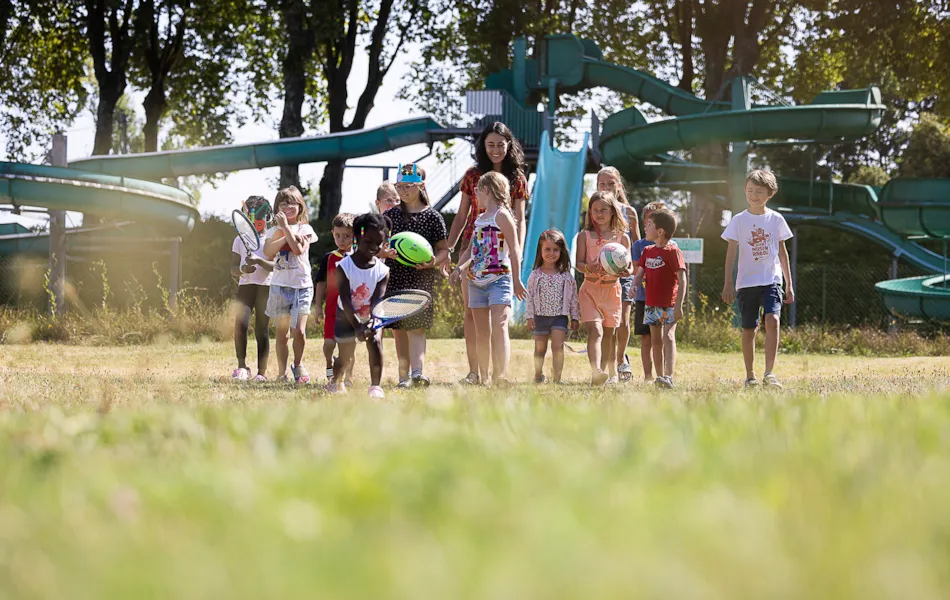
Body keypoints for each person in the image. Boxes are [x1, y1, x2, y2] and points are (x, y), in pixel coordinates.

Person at [446, 122, 529, 385]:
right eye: (490, 144)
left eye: (500, 145)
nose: (495, 150)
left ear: (508, 145)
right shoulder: (473, 175)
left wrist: (518, 251)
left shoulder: (517, 177)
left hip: (502, 252)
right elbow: (461, 215)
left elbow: (520, 218)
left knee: (498, 317)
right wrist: (450, 249)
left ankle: (499, 374)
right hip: (474, 245)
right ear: (483, 145)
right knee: (472, 312)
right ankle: (475, 372)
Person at [721, 169, 795, 389]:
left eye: (759, 191)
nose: (754, 195)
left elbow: (782, 253)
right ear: (745, 191)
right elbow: (731, 253)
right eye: (750, 190)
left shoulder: (776, 219)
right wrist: (727, 282)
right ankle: (750, 376)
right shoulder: (738, 221)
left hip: (771, 280)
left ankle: (769, 373)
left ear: (769, 194)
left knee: (773, 320)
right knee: (749, 329)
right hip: (746, 282)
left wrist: (789, 283)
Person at [383, 163, 450, 388]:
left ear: (421, 185)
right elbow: (378, 246)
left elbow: (443, 250)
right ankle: (403, 378)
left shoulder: (433, 217)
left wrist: (433, 262)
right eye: (399, 186)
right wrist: (385, 252)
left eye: (408, 186)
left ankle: (417, 373)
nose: (402, 191)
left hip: (422, 279)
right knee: (399, 330)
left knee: (417, 327)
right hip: (396, 277)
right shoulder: (390, 215)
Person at [331, 213, 391, 398]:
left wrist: (373, 322)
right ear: (357, 238)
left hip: (370, 316)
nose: (374, 247)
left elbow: (377, 300)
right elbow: (346, 299)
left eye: (379, 243)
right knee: (345, 356)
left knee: (375, 342)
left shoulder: (383, 271)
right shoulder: (343, 267)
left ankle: (375, 387)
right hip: (346, 317)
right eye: (368, 242)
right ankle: (336, 381)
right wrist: (357, 326)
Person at [263, 186, 318, 384]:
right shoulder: (272, 231)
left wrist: (286, 229)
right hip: (279, 286)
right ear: (277, 207)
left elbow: (297, 249)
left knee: (299, 331)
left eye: (291, 203)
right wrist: (284, 233)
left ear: (300, 206)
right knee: (282, 334)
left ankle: (298, 364)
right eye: (283, 204)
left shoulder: (305, 229)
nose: (287, 207)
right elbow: (268, 252)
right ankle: (281, 372)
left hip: (302, 286)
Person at [575, 191, 631, 385]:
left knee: (609, 334)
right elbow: (579, 264)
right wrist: (589, 267)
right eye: (595, 210)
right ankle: (596, 372)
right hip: (590, 290)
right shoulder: (584, 236)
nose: (599, 214)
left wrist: (626, 271)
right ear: (590, 212)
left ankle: (611, 373)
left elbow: (629, 266)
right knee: (596, 331)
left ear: (613, 212)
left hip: (612, 291)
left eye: (603, 210)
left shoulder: (622, 238)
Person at [632, 208, 687, 389]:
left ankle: (668, 376)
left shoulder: (673, 251)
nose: (645, 228)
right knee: (655, 341)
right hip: (651, 304)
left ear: (660, 231)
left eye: (648, 225)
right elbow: (640, 273)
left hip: (669, 305)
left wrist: (679, 305)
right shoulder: (647, 250)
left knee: (668, 337)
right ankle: (660, 377)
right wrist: (634, 285)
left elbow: (682, 279)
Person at [597, 166, 641, 382]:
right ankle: (608, 365)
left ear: (619, 186)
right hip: (600, 277)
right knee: (607, 323)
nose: (606, 187)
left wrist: (635, 272)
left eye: (611, 183)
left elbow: (638, 248)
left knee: (623, 321)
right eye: (602, 184)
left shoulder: (629, 213)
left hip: (624, 276)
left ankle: (622, 358)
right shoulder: (595, 211)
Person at [525, 229, 580, 384]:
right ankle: (537, 375)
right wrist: (529, 316)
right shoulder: (535, 275)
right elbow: (529, 298)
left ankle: (557, 379)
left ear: (561, 252)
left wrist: (574, 317)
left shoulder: (566, 276)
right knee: (540, 349)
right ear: (540, 251)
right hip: (540, 317)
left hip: (559, 318)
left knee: (558, 348)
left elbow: (573, 298)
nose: (551, 253)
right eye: (547, 249)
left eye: (555, 249)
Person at [230, 196, 275, 382]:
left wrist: (259, 262)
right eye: (251, 218)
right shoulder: (239, 240)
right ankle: (242, 367)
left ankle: (261, 373)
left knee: (261, 330)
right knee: (240, 325)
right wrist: (243, 269)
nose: (256, 223)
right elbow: (232, 269)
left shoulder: (272, 239)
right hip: (245, 287)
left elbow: (275, 266)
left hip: (265, 288)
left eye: (260, 219)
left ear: (268, 217)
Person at [628, 201, 668, 383]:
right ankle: (648, 376)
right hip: (644, 298)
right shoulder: (638, 246)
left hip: (664, 300)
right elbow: (637, 270)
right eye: (649, 219)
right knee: (646, 339)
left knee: (664, 339)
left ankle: (665, 375)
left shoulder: (671, 246)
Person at [313, 213, 355, 386]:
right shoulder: (329, 258)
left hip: (351, 311)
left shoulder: (359, 259)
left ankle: (348, 377)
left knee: (349, 347)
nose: (342, 240)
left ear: (355, 236)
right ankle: (329, 365)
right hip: (331, 310)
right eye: (338, 236)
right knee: (329, 344)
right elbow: (321, 283)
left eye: (346, 236)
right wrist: (317, 307)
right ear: (332, 234)